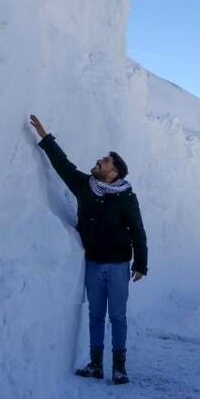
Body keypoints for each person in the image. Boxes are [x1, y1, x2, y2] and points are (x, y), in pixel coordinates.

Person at [29, 114, 148, 385]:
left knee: (117, 316)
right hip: (94, 264)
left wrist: (141, 263)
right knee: (95, 315)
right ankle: (96, 364)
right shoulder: (86, 187)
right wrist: (45, 137)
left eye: (105, 161)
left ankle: (119, 367)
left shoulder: (127, 198)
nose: (99, 161)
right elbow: (64, 167)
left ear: (115, 171)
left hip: (118, 266)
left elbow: (138, 231)